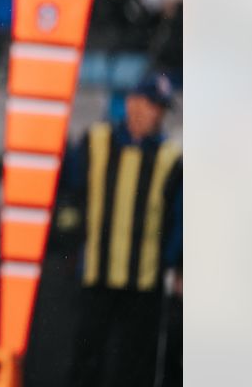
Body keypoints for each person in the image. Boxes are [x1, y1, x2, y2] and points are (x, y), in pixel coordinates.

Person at [60, 73, 182, 387]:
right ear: (130, 102)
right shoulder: (96, 141)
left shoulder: (171, 158)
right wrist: (72, 241)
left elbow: (178, 219)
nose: (150, 112)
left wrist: (174, 265)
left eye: (158, 107)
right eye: (146, 103)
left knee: (135, 368)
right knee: (85, 362)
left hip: (145, 281)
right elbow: (72, 194)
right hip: (97, 274)